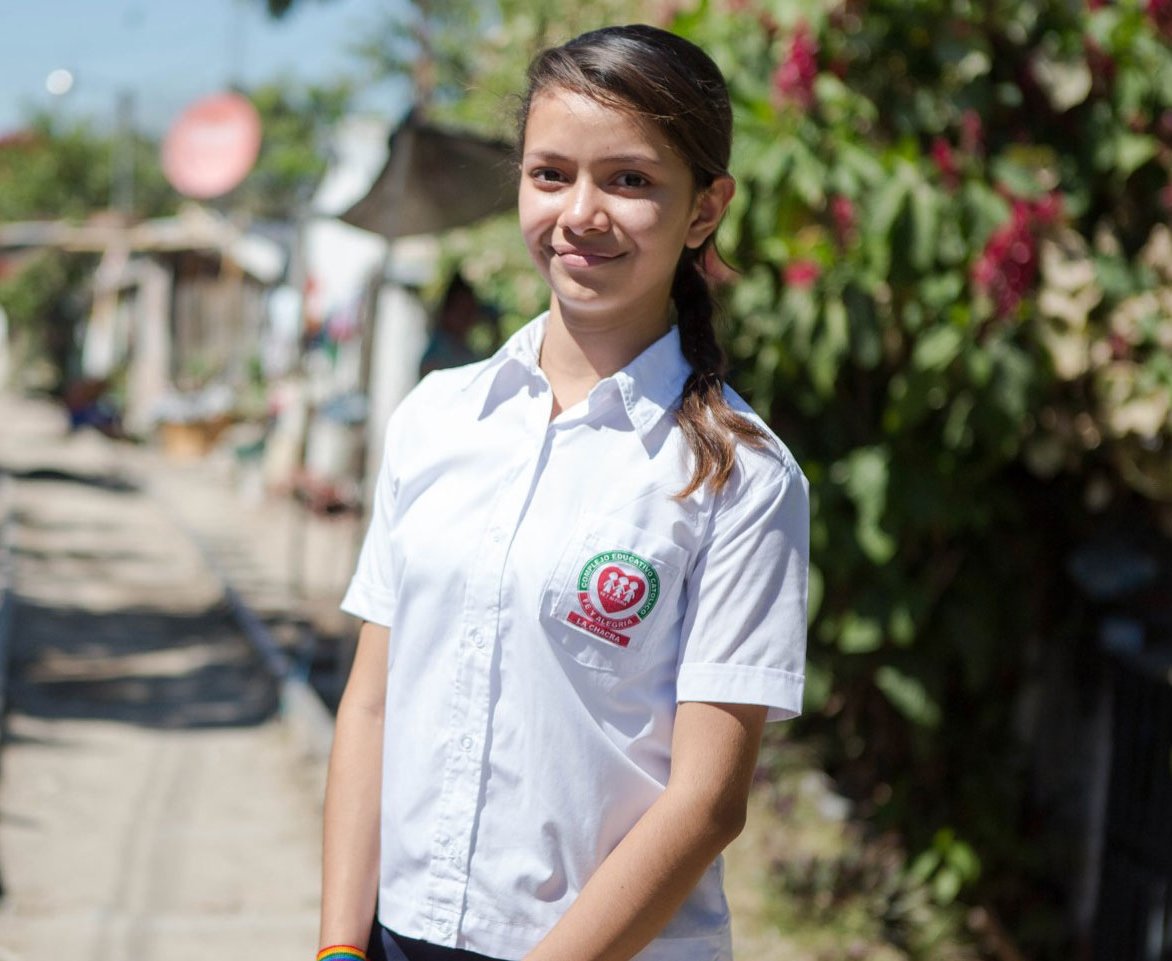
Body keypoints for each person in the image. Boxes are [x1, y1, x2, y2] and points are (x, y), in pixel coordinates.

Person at [318, 24, 810, 961]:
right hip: (397, 938)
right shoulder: (436, 419)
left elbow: (707, 802)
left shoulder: (742, 477)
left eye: (629, 181)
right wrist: (341, 944)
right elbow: (372, 705)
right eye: (550, 174)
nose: (580, 212)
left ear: (706, 209)